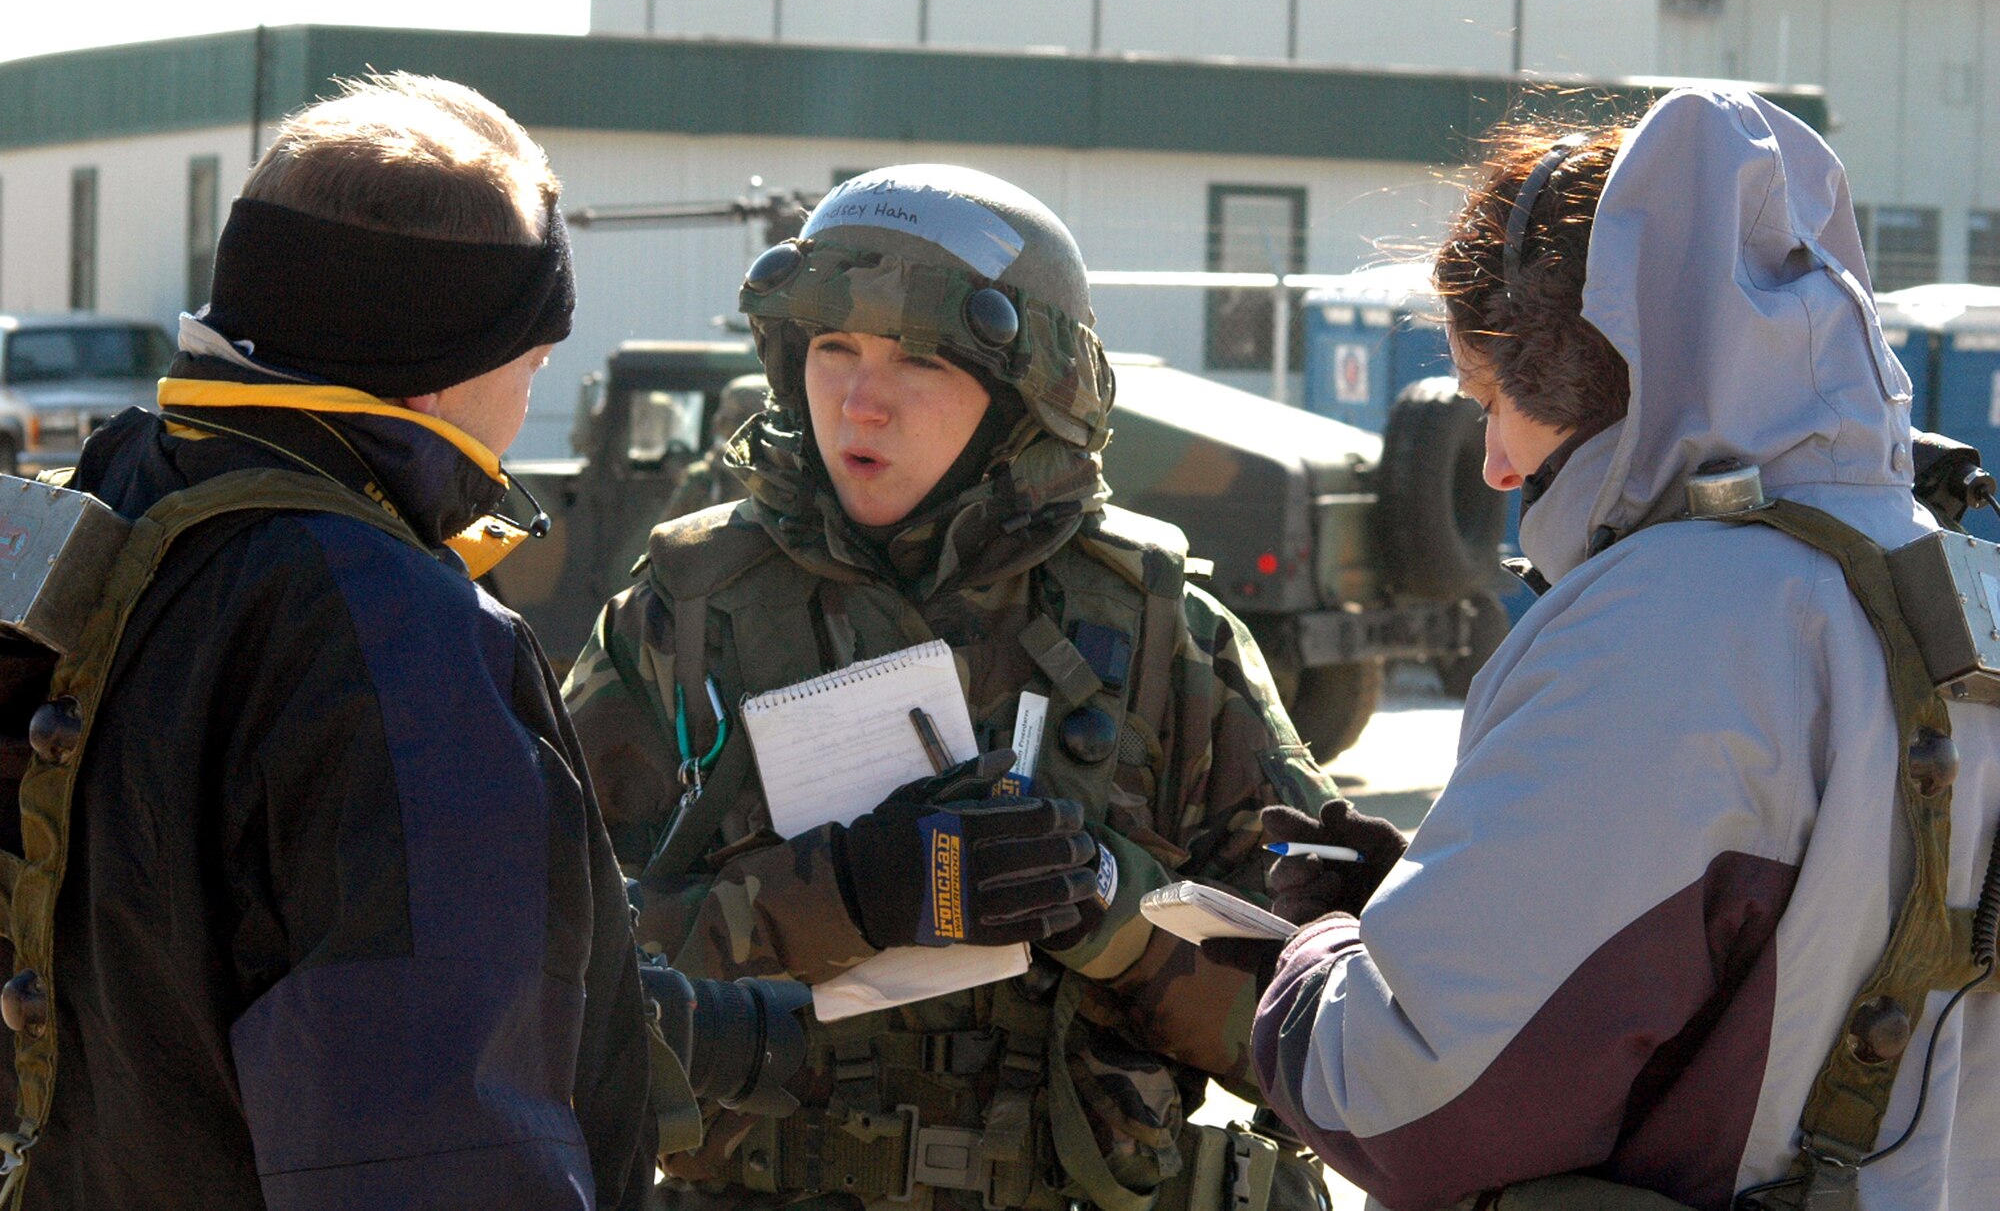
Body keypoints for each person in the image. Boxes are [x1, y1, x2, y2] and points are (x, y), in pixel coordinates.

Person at [564, 164, 1377, 1211]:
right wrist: (847, 891)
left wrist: (1108, 907)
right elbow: (553, 974)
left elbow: (1330, 1038)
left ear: (1023, 399)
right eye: (833, 349)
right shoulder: (684, 609)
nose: (860, 399)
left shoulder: (1158, 629)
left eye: (918, 361)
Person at [1252, 86, 2000, 1209]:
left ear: (1588, 374)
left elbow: (1407, 1095)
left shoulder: (1674, 622)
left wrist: (1316, 951)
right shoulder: (1963, 581)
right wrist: (1421, 914)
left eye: (1493, 398)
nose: (1494, 466)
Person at [0, 74, 652, 1209]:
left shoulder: (94, 504)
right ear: (446, 363)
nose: (524, 399)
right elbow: (435, 1151)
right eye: (532, 360)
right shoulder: (388, 628)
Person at [661, 372, 767, 521]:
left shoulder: (782, 481)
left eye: (728, 418)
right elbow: (664, 539)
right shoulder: (705, 480)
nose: (718, 424)